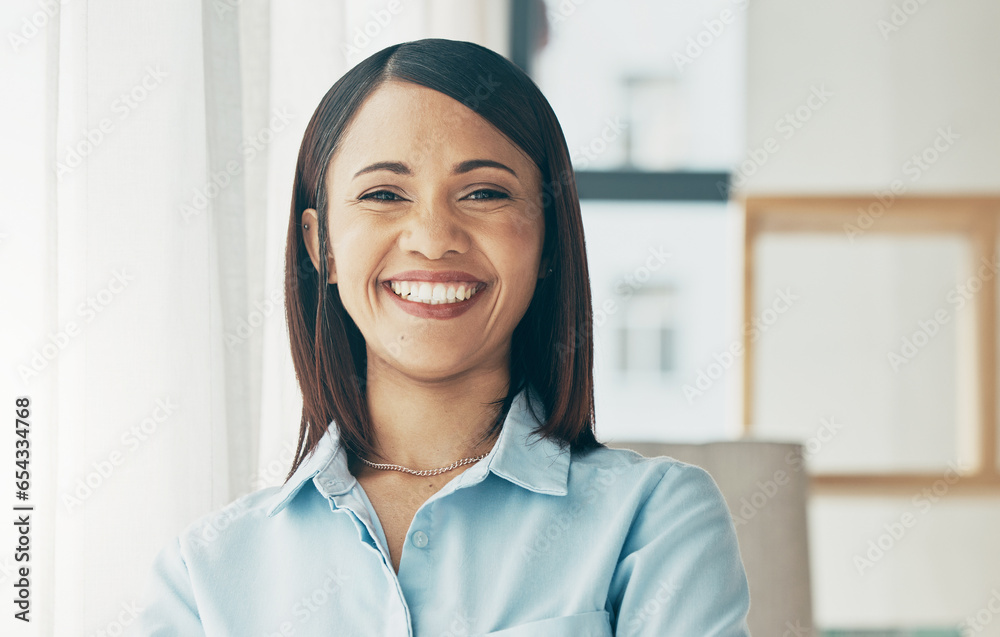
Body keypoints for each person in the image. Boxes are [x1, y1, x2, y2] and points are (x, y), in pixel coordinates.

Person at [135, 38, 750, 636]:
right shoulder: (204, 575)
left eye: (485, 192)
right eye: (383, 194)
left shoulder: (653, 520)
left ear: (547, 241)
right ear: (317, 242)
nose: (433, 238)